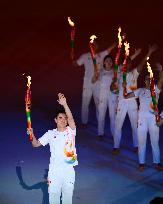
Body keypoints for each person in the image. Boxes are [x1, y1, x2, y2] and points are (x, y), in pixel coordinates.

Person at [27, 93, 78, 204]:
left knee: (67, 200)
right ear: (55, 120)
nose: (63, 120)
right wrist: (32, 135)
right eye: (60, 118)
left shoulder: (71, 131)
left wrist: (65, 104)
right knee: (53, 199)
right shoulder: (50, 134)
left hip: (69, 171)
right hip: (54, 172)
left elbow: (71, 118)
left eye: (65, 118)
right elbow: (35, 144)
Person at [112, 44, 158, 155]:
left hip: (132, 102)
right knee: (118, 125)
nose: (128, 65)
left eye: (130, 63)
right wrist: (114, 86)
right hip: (121, 103)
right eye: (126, 64)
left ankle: (136, 145)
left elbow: (142, 64)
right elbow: (112, 87)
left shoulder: (134, 73)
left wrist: (149, 52)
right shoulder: (118, 74)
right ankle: (116, 146)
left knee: (134, 125)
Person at [125, 68, 163, 172]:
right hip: (142, 120)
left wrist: (161, 71)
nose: (148, 81)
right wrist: (125, 88)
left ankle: (157, 163)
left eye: (150, 79)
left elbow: (161, 80)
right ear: (144, 81)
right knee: (141, 142)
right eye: (147, 79)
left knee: (154, 142)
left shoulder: (156, 90)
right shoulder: (140, 90)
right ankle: (141, 163)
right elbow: (128, 96)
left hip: (153, 119)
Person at [73, 40, 116, 128]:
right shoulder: (85, 56)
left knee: (98, 104)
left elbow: (110, 49)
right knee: (85, 103)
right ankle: (84, 122)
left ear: (97, 46)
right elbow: (76, 64)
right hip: (87, 84)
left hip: (98, 83)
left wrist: (119, 40)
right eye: (92, 45)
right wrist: (73, 59)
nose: (94, 46)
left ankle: (99, 123)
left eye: (95, 45)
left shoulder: (101, 55)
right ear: (90, 46)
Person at [94, 54, 118, 141]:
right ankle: (100, 133)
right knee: (101, 116)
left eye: (110, 61)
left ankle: (114, 134)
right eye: (107, 61)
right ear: (104, 62)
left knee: (113, 116)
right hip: (102, 96)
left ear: (112, 63)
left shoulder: (115, 72)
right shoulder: (100, 71)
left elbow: (117, 86)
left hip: (112, 97)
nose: (108, 62)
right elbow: (94, 81)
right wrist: (95, 76)